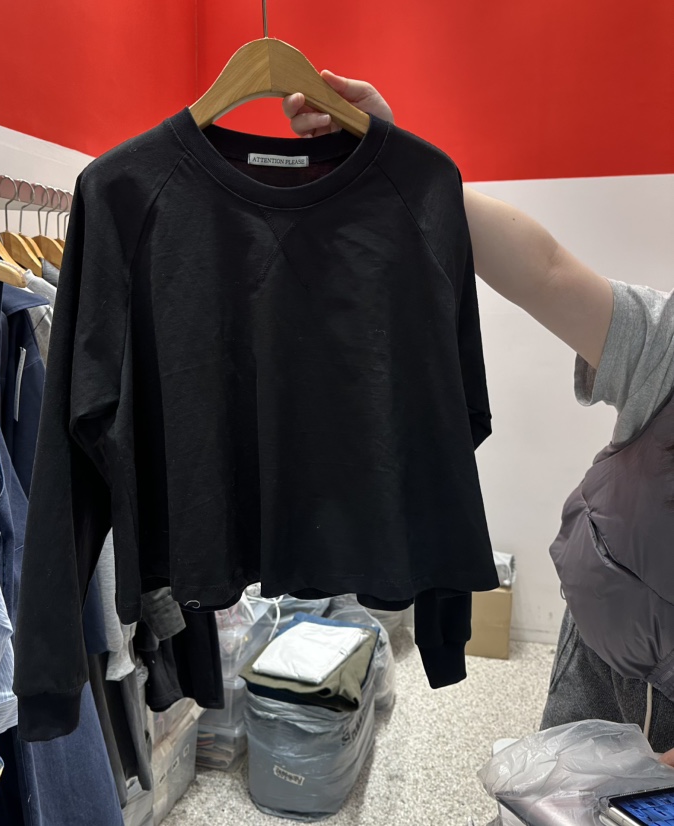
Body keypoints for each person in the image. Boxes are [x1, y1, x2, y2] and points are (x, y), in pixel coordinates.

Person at [283, 72, 674, 763]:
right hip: (599, 668)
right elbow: (546, 270)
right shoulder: (665, 346)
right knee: (551, 791)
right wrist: (393, 161)